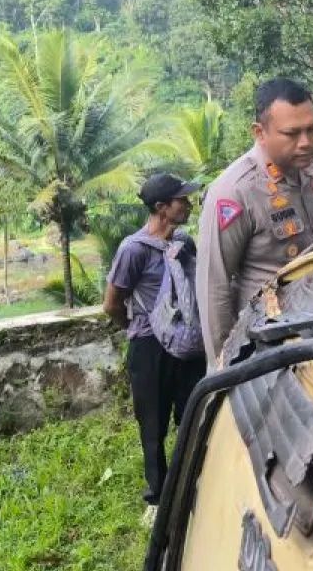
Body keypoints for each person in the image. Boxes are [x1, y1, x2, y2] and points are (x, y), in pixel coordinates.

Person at [196, 77, 313, 362]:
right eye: (292, 133)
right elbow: (214, 287)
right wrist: (226, 368)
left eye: (311, 129)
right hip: (268, 346)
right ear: (260, 133)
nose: (306, 143)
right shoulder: (234, 192)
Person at [103, 172, 205, 521]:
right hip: (149, 347)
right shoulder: (133, 249)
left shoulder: (185, 242)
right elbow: (112, 303)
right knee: (153, 422)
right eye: (182, 200)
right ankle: (158, 498)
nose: (189, 204)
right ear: (162, 207)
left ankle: (196, 483)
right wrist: (140, 328)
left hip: (188, 343)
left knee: (195, 412)